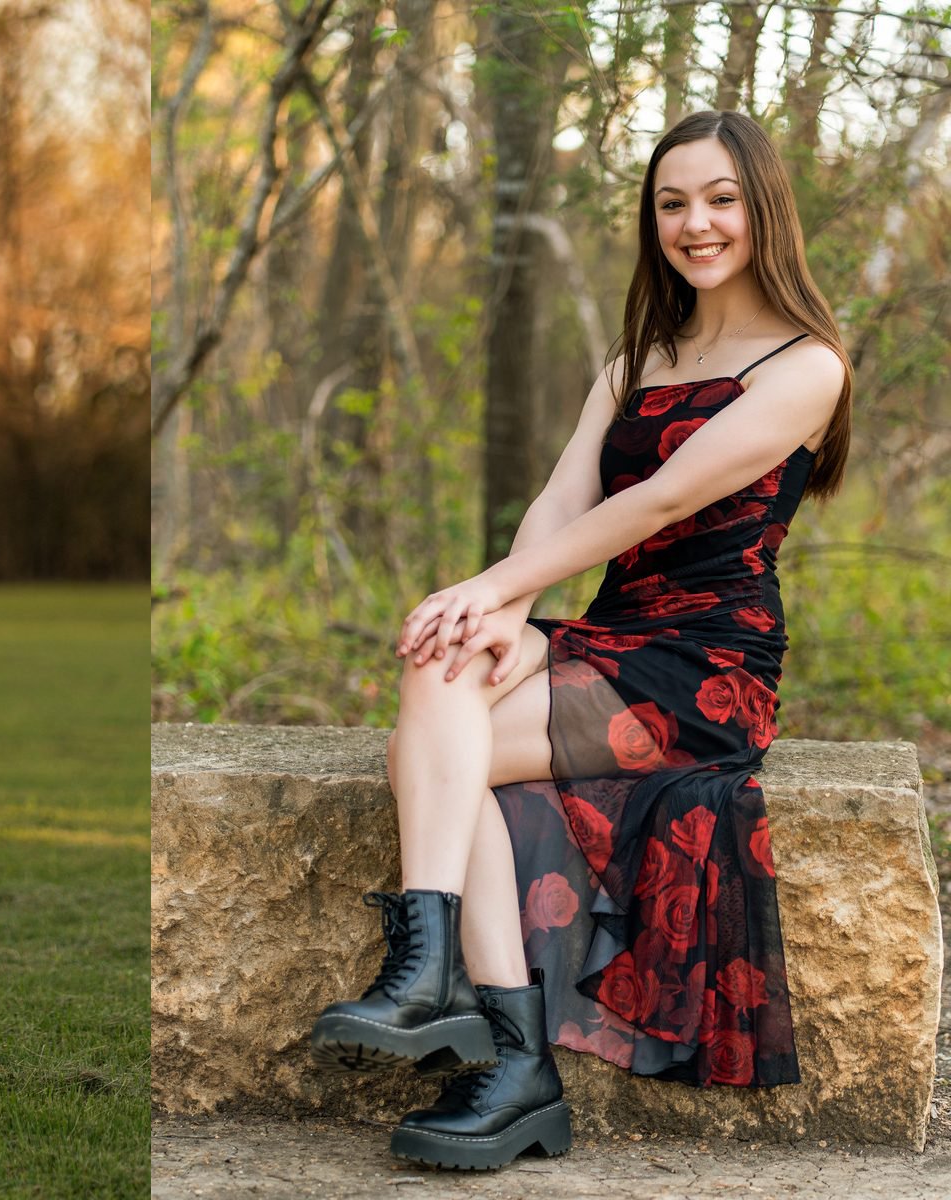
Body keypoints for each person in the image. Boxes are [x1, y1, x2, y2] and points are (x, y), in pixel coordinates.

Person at [307, 111, 849, 1170]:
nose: (696, 223)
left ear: (765, 210)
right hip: (609, 635)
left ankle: (490, 1042)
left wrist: (495, 588)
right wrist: (500, 616)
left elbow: (657, 503)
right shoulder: (640, 354)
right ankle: (453, 1005)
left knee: (439, 752)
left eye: (721, 199)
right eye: (673, 203)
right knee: (443, 675)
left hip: (705, 664)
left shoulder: (807, 365)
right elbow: (564, 499)